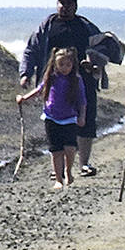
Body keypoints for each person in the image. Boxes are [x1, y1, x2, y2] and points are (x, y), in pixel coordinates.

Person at [20, 0, 107, 175]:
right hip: (54, 82)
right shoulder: (48, 25)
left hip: (82, 79)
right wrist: (25, 73)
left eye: (69, 4)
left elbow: (101, 48)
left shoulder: (85, 26)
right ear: (57, 4)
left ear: (75, 6)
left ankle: (84, 163)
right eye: (61, 3)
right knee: (56, 123)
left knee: (86, 120)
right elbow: (31, 49)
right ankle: (58, 169)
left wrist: (93, 65)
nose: (64, 7)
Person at [15, 47, 88, 189]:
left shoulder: (76, 80)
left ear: (73, 65)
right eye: (61, 65)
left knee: (70, 148)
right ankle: (59, 179)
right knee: (56, 150)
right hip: (51, 117)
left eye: (68, 65)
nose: (65, 68)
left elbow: (82, 100)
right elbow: (39, 90)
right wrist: (24, 98)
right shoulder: (51, 77)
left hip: (70, 118)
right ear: (55, 64)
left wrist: (82, 116)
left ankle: (68, 170)